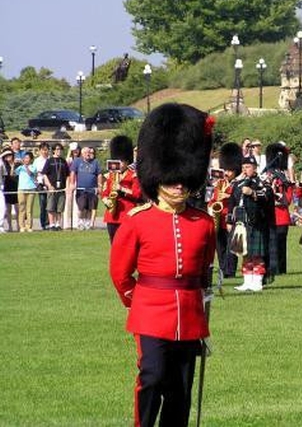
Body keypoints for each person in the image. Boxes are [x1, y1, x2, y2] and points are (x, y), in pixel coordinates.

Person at [109, 103, 216, 427]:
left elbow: (204, 269)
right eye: (172, 179)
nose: (178, 185)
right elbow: (120, 273)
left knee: (180, 389)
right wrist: (139, 301)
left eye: (183, 179)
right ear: (157, 177)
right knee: (152, 376)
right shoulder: (136, 221)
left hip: (190, 313)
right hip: (150, 311)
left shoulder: (203, 222)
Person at [227, 155, 274, 292]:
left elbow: (267, 195)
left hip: (256, 222)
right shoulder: (238, 183)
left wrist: (253, 192)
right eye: (243, 167)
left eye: (248, 167)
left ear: (255, 168)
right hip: (241, 222)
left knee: (256, 253)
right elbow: (232, 202)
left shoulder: (262, 181)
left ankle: (257, 281)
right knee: (245, 252)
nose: (245, 169)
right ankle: (247, 281)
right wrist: (230, 220)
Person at [209, 142, 242, 279]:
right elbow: (213, 199)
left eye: (230, 170)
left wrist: (228, 196)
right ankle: (223, 269)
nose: (227, 173)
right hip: (219, 218)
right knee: (220, 247)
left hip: (230, 217)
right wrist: (212, 206)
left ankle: (230, 271)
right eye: (226, 170)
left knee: (230, 247)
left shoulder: (238, 183)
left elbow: (239, 199)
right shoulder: (220, 183)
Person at [102, 136, 142, 243]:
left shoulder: (133, 175)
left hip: (127, 214)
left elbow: (137, 194)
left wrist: (122, 189)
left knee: (126, 244)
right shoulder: (111, 175)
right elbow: (104, 192)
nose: (119, 164)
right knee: (113, 243)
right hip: (112, 216)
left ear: (127, 161)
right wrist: (107, 201)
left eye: (122, 161)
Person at [264, 142, 293, 275]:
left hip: (281, 214)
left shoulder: (283, 176)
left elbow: (289, 196)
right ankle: (271, 267)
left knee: (281, 243)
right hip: (269, 213)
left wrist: (282, 199)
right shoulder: (267, 175)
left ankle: (281, 268)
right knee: (270, 243)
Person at [70, 146, 102, 229]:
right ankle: (80, 221)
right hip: (81, 189)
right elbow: (73, 172)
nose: (88, 154)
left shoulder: (95, 162)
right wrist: (72, 183)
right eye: (86, 152)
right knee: (82, 206)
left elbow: (99, 174)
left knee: (90, 207)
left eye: (89, 152)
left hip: (92, 189)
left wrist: (99, 185)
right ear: (82, 154)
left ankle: (88, 223)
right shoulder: (77, 161)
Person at [41, 143, 70, 231]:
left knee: (59, 207)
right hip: (52, 187)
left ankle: (58, 224)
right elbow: (44, 174)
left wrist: (67, 186)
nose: (59, 151)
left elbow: (68, 175)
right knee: (51, 207)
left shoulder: (63, 161)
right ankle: (51, 224)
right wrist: (49, 185)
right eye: (57, 149)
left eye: (60, 149)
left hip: (61, 187)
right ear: (53, 150)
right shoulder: (49, 161)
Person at [1, 146, 18, 231]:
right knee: (8, 209)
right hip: (8, 187)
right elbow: (9, 174)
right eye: (6, 155)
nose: (9, 157)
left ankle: (19, 226)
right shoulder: (4, 165)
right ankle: (10, 226)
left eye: (10, 155)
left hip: (16, 187)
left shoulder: (18, 164)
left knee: (18, 208)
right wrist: (12, 165)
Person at [34, 143, 50, 230]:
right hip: (40, 183)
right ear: (40, 151)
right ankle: (43, 223)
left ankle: (49, 222)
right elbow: (35, 173)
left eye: (46, 149)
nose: (45, 151)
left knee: (50, 204)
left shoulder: (50, 160)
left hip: (50, 184)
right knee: (43, 204)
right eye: (43, 150)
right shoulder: (37, 161)